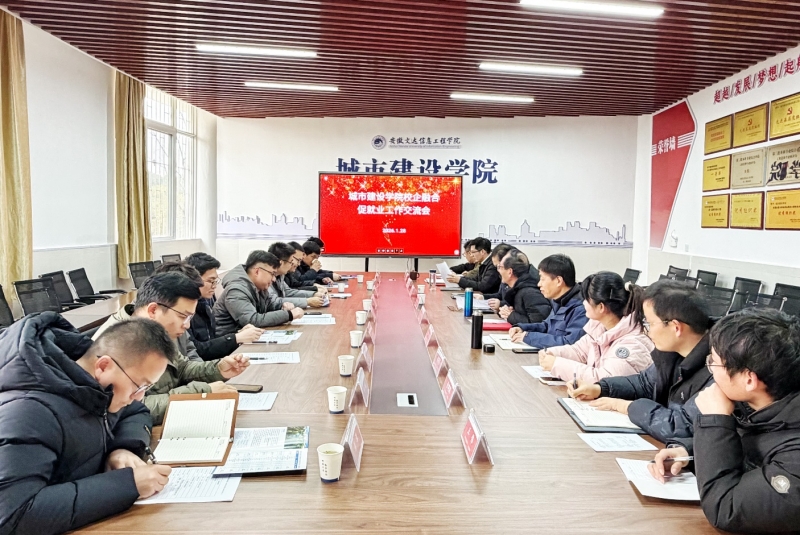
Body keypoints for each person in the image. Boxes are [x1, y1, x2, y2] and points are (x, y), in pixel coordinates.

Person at [0, 314, 174, 534]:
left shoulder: (95, 389)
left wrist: (122, 449)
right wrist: (127, 485)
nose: (138, 397)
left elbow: (136, 412)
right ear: (103, 366)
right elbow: (13, 515)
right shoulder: (28, 412)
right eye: (139, 386)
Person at [648, 308, 800, 533]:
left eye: (714, 362)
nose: (710, 370)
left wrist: (715, 420)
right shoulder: (758, 405)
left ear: (749, 380)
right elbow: (747, 449)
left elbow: (727, 509)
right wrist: (688, 453)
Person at [567, 280, 712, 442]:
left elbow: (681, 426)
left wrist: (626, 406)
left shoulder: (717, 367)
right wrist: (600, 388)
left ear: (676, 327)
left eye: (650, 323)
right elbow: (645, 383)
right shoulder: (672, 353)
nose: (647, 331)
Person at [94, 272, 249, 424]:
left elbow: (182, 368)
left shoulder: (156, 330)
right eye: (183, 316)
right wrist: (200, 393)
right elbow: (130, 407)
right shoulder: (117, 343)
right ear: (153, 310)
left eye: (190, 318)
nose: (187, 325)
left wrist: (217, 369)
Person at [540, 271, 653, 383]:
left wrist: (557, 364)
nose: (583, 303)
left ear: (601, 307)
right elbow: (579, 351)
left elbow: (605, 380)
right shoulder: (600, 327)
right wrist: (553, 353)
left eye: (586, 299)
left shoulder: (633, 344)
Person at [184, 252, 264, 359]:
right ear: (193, 280)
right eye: (210, 281)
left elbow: (211, 341)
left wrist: (239, 334)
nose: (214, 286)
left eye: (215, 281)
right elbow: (198, 350)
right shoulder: (184, 310)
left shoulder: (205, 303)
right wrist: (235, 338)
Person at [214, 250, 305, 334]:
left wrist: (282, 305)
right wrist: (289, 315)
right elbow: (252, 320)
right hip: (231, 341)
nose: (274, 279)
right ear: (257, 271)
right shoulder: (236, 289)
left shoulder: (259, 287)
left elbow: (270, 304)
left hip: (248, 337)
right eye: (272, 274)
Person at [509, 254, 587, 349]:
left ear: (558, 281)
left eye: (542, 279)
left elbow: (570, 343)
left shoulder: (581, 308)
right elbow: (546, 326)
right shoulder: (558, 300)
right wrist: (523, 328)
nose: (539, 284)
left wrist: (529, 337)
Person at [494, 248, 551, 325]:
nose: (498, 270)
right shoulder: (518, 287)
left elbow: (539, 324)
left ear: (510, 272)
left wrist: (511, 315)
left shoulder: (530, 292)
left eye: (500, 267)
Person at [267, 242, 325, 308]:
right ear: (281, 263)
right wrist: (307, 301)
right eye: (291, 261)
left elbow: (287, 292)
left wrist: (313, 294)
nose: (298, 264)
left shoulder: (280, 275)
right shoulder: (266, 276)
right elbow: (274, 302)